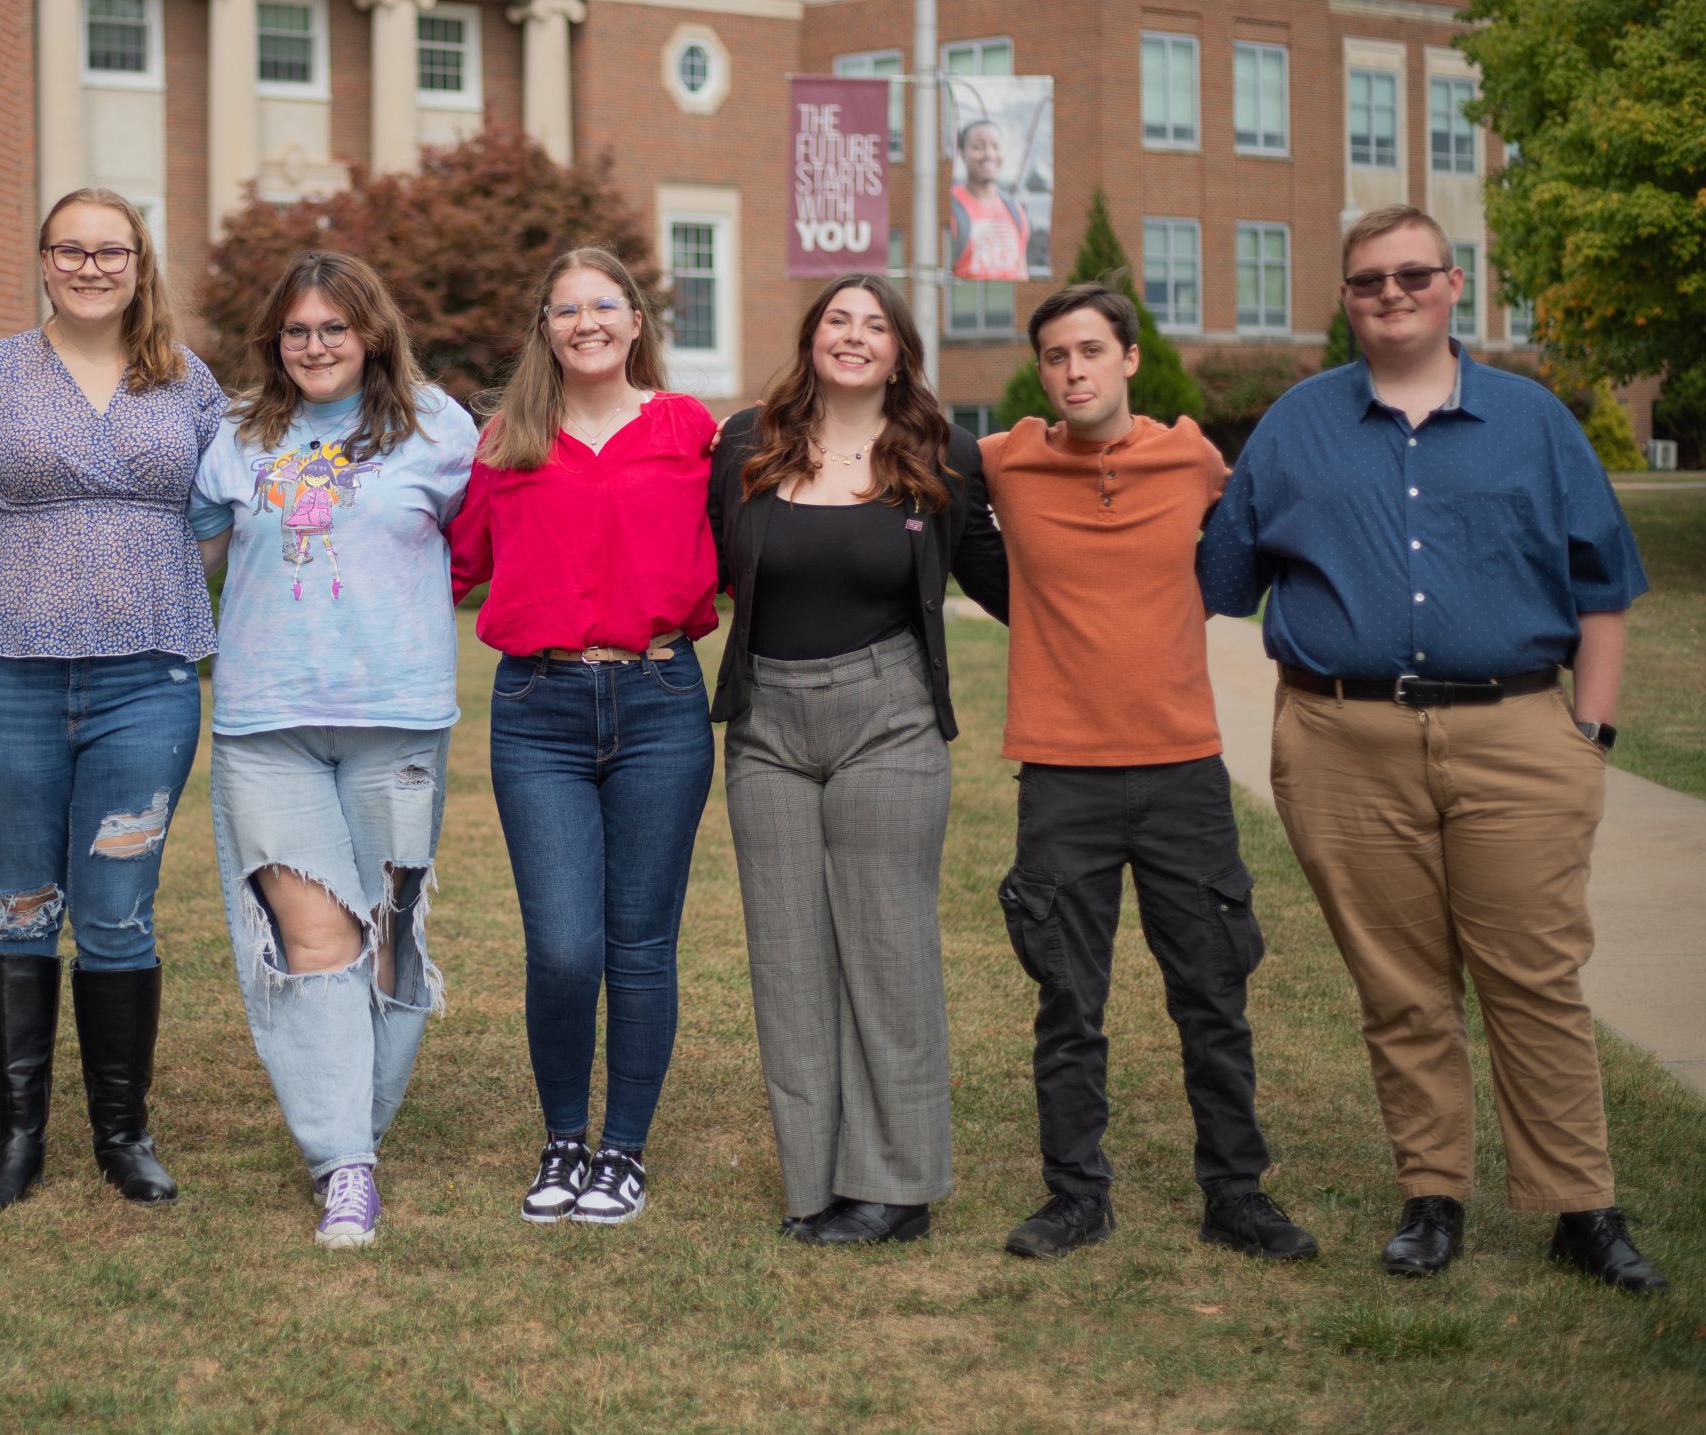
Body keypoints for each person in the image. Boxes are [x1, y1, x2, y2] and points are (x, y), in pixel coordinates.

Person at [1199, 204, 1665, 1294]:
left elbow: (1603, 586)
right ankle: (1431, 1197)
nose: (1391, 294)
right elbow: (1223, 578)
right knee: (1400, 985)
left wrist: (1586, 734)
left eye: (1413, 275)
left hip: (1516, 737)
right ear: (1346, 299)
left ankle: (1578, 1206)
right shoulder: (1295, 425)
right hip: (1340, 740)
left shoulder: (1532, 421)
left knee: (1533, 978)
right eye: (1368, 281)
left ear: (1456, 286)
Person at [979, 282, 1317, 1263]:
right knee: (1067, 997)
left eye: (1089, 350)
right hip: (1061, 771)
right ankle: (1075, 1194)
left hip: (1181, 769)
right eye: (1053, 356)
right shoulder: (1003, 462)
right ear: (1039, 371)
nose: (1072, 370)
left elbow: (1257, 547)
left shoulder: (1193, 458)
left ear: (1129, 358)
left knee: (1212, 989)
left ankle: (1236, 1193)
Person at [0, 187, 227, 1209]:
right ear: (43, 261)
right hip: (6, 676)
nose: (91, 267)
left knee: (117, 912)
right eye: (71, 250)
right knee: (16, 904)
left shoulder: (186, 383)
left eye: (112, 251)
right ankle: (17, 1139)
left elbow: (232, 512)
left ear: (141, 263)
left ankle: (122, 1134)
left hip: (146, 679)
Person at [707, 274, 1007, 1245]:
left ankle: (896, 1185)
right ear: (810, 336)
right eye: (837, 318)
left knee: (886, 950)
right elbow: (703, 561)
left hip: (889, 717)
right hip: (769, 726)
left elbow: (1008, 582)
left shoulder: (942, 455)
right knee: (787, 959)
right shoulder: (746, 443)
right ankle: (815, 1183)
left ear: (899, 351)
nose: (852, 334)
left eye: (873, 324)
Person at [189, 250, 478, 1248]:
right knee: (314, 944)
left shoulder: (440, 430)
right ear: (276, 343)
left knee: (391, 936)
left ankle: (357, 1122)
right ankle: (344, 1165)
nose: (315, 346)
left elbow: (473, 542)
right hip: (266, 728)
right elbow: (189, 555)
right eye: (296, 331)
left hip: (396, 723)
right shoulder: (232, 437)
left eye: (334, 328)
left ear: (371, 334)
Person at [449, 246, 718, 1227]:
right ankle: (564, 1139)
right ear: (546, 329)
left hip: (658, 706)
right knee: (563, 947)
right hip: (539, 713)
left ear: (635, 321)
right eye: (566, 309)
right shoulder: (506, 440)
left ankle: (623, 1152)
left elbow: (748, 547)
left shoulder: (688, 430)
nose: (587, 322)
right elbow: (447, 562)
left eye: (604, 304)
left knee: (640, 944)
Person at [948, 119, 1030, 283]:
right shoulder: (949, 208)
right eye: (978, 147)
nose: (989, 154)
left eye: (996, 147)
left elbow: (1021, 272)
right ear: (962, 153)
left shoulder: (1014, 210)